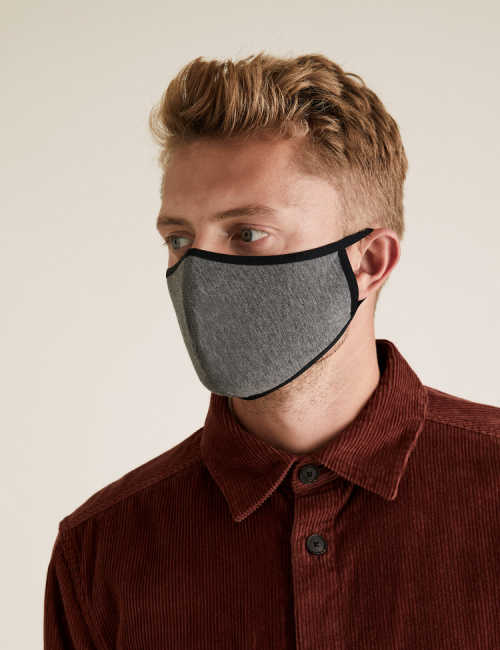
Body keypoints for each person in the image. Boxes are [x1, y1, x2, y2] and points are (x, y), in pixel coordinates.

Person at [44, 52, 500, 649]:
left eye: (247, 233)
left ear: (368, 261)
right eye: (179, 239)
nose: (198, 275)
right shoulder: (101, 550)